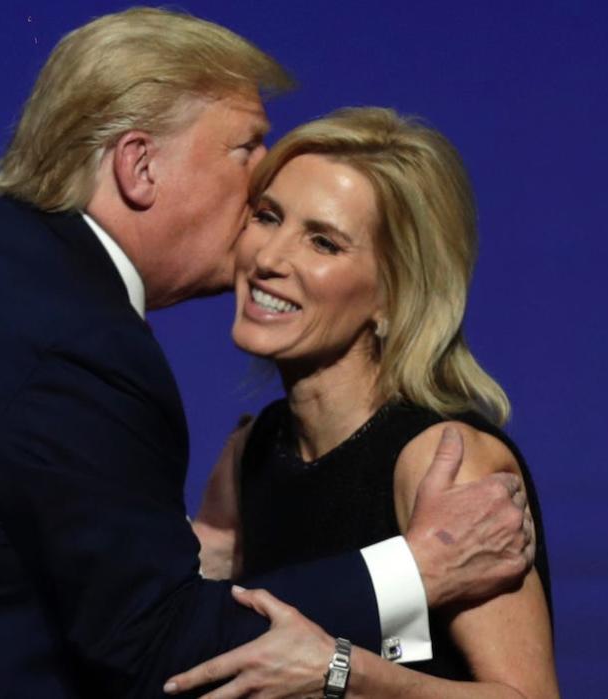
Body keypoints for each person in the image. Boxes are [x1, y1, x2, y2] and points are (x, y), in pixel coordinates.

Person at [0, 11, 534, 698]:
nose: (261, 188)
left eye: (321, 237)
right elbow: (158, 651)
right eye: (247, 157)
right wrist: (412, 569)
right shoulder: (72, 341)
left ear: (394, 287)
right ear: (139, 169)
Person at [169, 108, 558, 697]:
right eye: (268, 217)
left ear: (395, 297)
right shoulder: (252, 450)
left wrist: (339, 673)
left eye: (323, 242)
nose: (269, 258)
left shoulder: (445, 461)